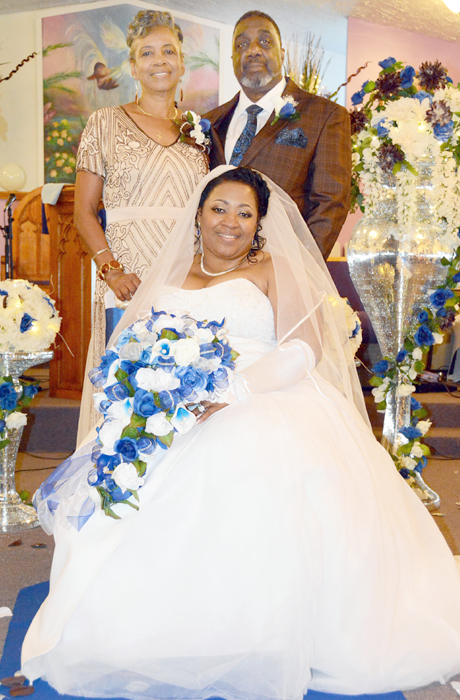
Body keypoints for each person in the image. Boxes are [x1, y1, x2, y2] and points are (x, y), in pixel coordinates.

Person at [22, 167, 460, 699]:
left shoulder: (274, 269)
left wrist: (232, 390)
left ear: (259, 225)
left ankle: (256, 630)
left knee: (244, 465)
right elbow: (135, 343)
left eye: (245, 213)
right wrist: (145, 389)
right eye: (219, 209)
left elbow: (304, 348)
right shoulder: (169, 270)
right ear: (198, 215)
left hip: (264, 393)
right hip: (171, 403)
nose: (230, 222)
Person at [75, 9, 209, 442]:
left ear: (182, 63)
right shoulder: (103, 123)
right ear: (133, 67)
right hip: (126, 278)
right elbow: (84, 211)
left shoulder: (198, 132)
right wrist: (111, 269)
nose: (159, 60)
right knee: (127, 394)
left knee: (179, 388)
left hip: (184, 278)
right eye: (147, 53)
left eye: (168, 50)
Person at [204, 11, 351, 260]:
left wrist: (300, 270)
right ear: (232, 59)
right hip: (213, 264)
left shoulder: (325, 115)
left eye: (264, 41)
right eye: (242, 44)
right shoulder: (210, 122)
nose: (253, 50)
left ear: (282, 54)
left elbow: (330, 203)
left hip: (282, 266)